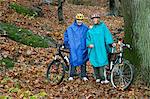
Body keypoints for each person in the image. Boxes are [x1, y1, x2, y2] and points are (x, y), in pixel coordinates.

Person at [86, 13, 115, 83]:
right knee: (94, 62)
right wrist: (89, 44)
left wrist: (111, 42)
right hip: (93, 49)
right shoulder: (90, 29)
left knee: (102, 62)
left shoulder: (103, 27)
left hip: (101, 48)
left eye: (96, 18)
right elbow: (87, 38)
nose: (94, 20)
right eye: (93, 19)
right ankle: (97, 77)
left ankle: (103, 78)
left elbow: (107, 35)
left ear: (99, 19)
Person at [64, 13, 89, 81]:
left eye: (81, 20)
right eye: (78, 20)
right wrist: (68, 44)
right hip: (74, 47)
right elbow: (66, 36)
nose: (79, 21)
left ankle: (83, 75)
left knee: (83, 61)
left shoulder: (85, 28)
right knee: (73, 60)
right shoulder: (71, 28)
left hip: (82, 47)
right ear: (76, 19)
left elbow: (89, 37)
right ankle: (71, 74)